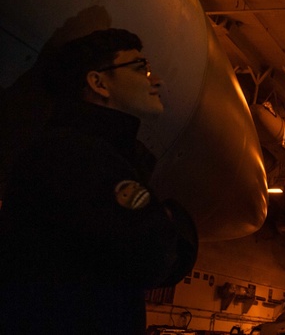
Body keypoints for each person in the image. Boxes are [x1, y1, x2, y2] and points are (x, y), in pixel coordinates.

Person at [0, 29, 198, 334]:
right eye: (139, 68)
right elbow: (152, 255)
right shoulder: (79, 156)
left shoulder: (74, 150)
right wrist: (171, 219)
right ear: (98, 83)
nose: (155, 80)